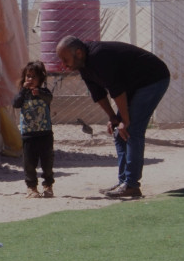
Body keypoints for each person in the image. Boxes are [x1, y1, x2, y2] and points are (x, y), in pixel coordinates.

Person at [55, 36, 170, 199]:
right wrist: (113, 118)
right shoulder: (83, 65)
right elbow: (99, 94)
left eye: (65, 60)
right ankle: (124, 181)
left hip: (153, 79)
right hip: (133, 85)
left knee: (131, 130)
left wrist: (125, 120)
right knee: (118, 132)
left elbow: (117, 90)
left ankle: (131, 184)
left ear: (78, 53)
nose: (64, 65)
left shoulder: (99, 57)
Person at [12, 60, 55, 198]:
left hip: (45, 134)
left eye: (33, 76)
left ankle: (48, 185)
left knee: (47, 162)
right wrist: (24, 89)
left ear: (40, 79)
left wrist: (39, 93)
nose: (30, 79)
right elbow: (16, 104)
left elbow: (49, 98)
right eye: (28, 76)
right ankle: (31, 187)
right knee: (29, 163)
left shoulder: (45, 93)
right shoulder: (23, 94)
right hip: (28, 135)